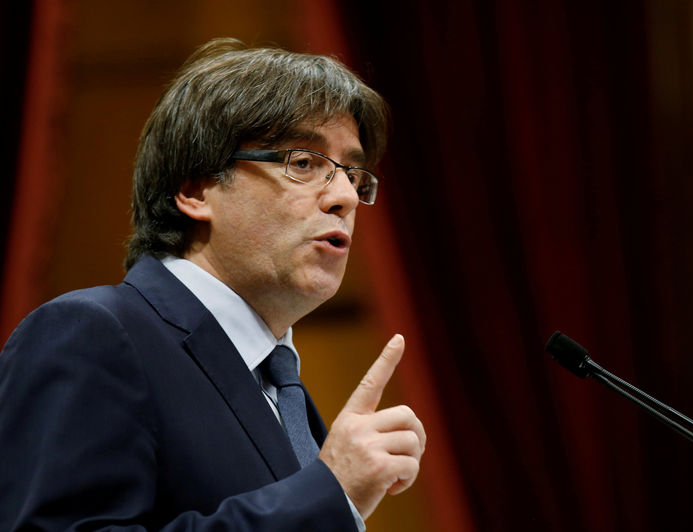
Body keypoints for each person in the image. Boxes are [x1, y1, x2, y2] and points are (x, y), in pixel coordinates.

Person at [0, 38, 425, 531]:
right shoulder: (90, 334)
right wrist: (330, 494)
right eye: (304, 163)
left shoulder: (283, 390)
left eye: (353, 174)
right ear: (195, 189)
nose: (345, 197)